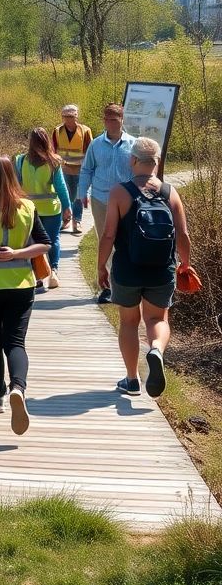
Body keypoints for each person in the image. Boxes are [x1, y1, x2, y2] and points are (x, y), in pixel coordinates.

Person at [97, 136, 191, 397]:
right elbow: (183, 235)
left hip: (127, 270)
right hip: (161, 270)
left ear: (133, 160)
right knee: (157, 319)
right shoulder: (170, 192)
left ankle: (131, 380)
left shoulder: (119, 192)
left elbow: (108, 234)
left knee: (129, 322)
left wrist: (101, 266)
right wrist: (185, 264)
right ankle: (156, 350)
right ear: (156, 162)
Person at [0, 154, 51, 435]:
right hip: (21, 285)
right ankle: (18, 388)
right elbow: (45, 244)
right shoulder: (27, 206)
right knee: (15, 342)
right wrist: (17, 254)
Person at [78, 104, 135, 304]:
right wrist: (82, 193)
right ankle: (107, 287)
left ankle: (125, 282)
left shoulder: (133, 145)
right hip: (101, 199)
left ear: (122, 120)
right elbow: (87, 169)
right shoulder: (95, 145)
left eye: (114, 119)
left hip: (127, 201)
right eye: (107, 119)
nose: (110, 123)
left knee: (126, 240)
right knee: (105, 240)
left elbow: (138, 171)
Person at [15, 128, 71, 291]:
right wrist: (67, 206)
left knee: (32, 242)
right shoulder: (53, 162)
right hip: (51, 210)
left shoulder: (20, 161)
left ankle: (37, 276)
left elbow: (16, 185)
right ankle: (53, 272)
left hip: (28, 211)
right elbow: (61, 187)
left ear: (30, 142)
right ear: (47, 141)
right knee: (53, 240)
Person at [52, 105, 93, 235]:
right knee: (64, 195)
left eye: (71, 116)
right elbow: (53, 150)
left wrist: (90, 168)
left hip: (80, 169)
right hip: (63, 169)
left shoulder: (85, 131)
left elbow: (90, 151)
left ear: (76, 116)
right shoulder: (57, 131)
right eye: (66, 116)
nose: (69, 119)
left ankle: (77, 221)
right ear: (62, 117)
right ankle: (65, 220)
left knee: (79, 196)